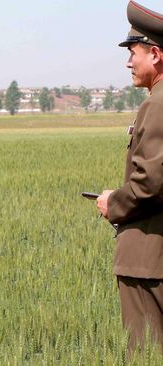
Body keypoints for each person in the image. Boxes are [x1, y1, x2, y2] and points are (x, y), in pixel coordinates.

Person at [97, 0, 163, 354]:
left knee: (147, 353)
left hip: (149, 262)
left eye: (133, 52)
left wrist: (113, 204)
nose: (127, 61)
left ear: (155, 55)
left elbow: (150, 183)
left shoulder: (158, 104)